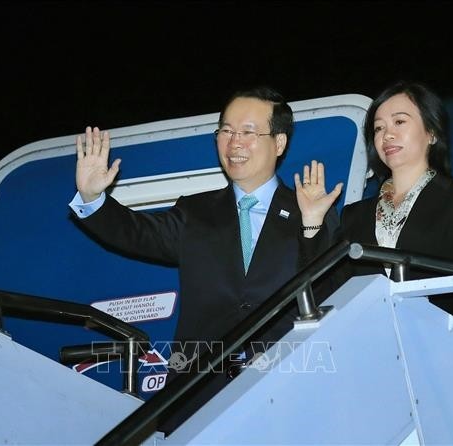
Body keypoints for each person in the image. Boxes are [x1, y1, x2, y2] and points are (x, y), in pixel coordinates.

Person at [69, 86, 341, 432]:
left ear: (279, 143)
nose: (234, 142)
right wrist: (93, 198)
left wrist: (313, 225)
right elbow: (135, 233)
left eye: (247, 132)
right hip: (198, 395)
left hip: (286, 389)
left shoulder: (311, 209)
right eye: (225, 131)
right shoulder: (194, 212)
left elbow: (328, 289)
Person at [302, 81, 453, 316]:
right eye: (379, 128)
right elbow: (328, 293)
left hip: (441, 345)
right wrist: (312, 221)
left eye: (399, 122)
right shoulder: (355, 216)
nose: (387, 135)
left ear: (432, 132)